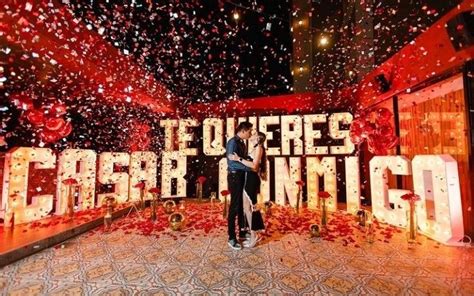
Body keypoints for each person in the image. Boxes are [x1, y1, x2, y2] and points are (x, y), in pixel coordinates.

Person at [229, 131, 267, 248]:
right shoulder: (256, 148)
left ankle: (254, 236)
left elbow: (254, 166)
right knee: (248, 207)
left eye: (254, 134)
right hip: (248, 178)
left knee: (249, 207)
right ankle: (254, 233)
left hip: (251, 180)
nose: (252, 135)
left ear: (259, 138)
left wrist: (238, 159)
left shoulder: (259, 148)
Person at [226, 121, 253, 250]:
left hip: (241, 175)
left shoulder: (241, 143)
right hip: (235, 175)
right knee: (234, 206)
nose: (250, 133)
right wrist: (248, 168)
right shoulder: (232, 142)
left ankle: (242, 232)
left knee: (242, 205)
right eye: (249, 131)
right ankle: (231, 237)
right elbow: (232, 162)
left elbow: (241, 158)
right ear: (243, 130)